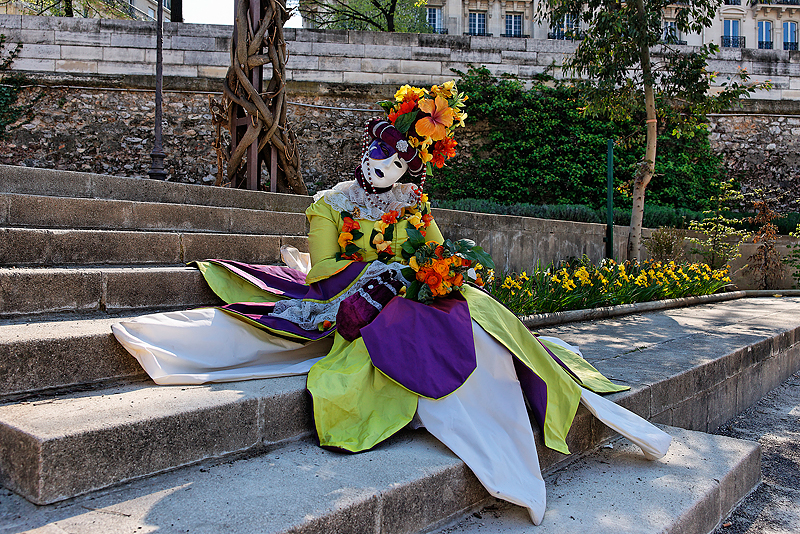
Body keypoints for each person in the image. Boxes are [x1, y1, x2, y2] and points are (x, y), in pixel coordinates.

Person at [113, 82, 670, 525]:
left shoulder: (413, 205)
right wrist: (380, 268)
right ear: (363, 154)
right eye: (376, 155)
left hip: (417, 292)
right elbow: (326, 269)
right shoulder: (331, 206)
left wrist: (443, 268)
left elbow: (434, 250)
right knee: (409, 322)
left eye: (395, 162)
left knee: (478, 314)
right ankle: (477, 423)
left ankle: (514, 393)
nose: (382, 167)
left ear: (410, 171)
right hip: (353, 295)